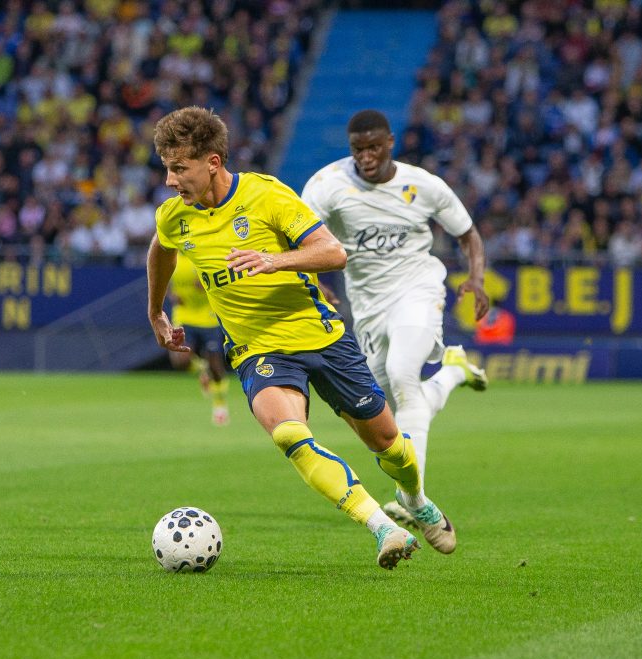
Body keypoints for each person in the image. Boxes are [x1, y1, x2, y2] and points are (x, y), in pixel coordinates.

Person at [146, 106, 455, 569]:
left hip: (322, 336)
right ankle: (382, 528)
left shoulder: (265, 195)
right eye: (167, 169)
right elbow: (162, 250)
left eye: (179, 169)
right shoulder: (176, 216)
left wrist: (274, 261)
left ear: (212, 162)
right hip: (258, 348)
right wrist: (155, 311)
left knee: (389, 445)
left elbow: (333, 252)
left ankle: (414, 499)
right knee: (289, 433)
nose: (170, 181)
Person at [301, 110, 489, 545]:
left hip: (417, 288)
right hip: (367, 306)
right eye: (357, 150)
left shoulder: (423, 185)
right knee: (395, 404)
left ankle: (413, 498)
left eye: (373, 148)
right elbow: (296, 237)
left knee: (404, 376)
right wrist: (314, 283)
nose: (365, 157)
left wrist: (476, 279)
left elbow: (468, 234)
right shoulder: (327, 186)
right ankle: (455, 371)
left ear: (390, 143)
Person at [167, 258, 231, 426]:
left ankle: (219, 405)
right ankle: (203, 370)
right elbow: (163, 276)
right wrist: (171, 293)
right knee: (180, 359)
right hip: (184, 314)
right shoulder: (172, 255)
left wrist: (206, 281)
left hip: (208, 316)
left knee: (216, 366)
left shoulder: (202, 255)